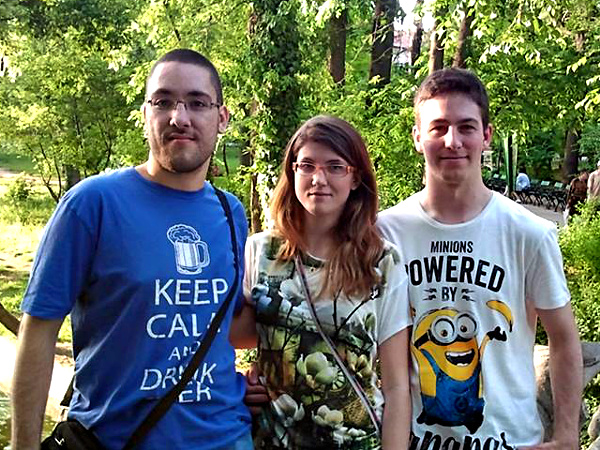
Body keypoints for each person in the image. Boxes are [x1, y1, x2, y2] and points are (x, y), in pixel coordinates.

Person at [11, 49, 253, 449]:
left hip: (227, 437)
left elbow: (229, 325)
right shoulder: (93, 204)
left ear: (221, 118)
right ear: (146, 113)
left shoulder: (231, 213)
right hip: (116, 440)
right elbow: (38, 330)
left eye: (197, 102)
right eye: (163, 102)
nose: (180, 117)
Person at [377, 68, 583, 449]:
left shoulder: (529, 233)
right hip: (415, 440)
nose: (453, 141)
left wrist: (567, 436)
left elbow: (564, 338)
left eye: (466, 127)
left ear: (487, 136)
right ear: (417, 136)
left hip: (511, 441)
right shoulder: (386, 232)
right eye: (438, 127)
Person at [236, 116, 412, 449]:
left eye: (335, 167)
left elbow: (397, 386)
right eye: (307, 166)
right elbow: (230, 337)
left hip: (355, 441)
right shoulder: (259, 251)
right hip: (274, 441)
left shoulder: (381, 261)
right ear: (292, 172)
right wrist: (238, 384)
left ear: (355, 177)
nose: (319, 178)